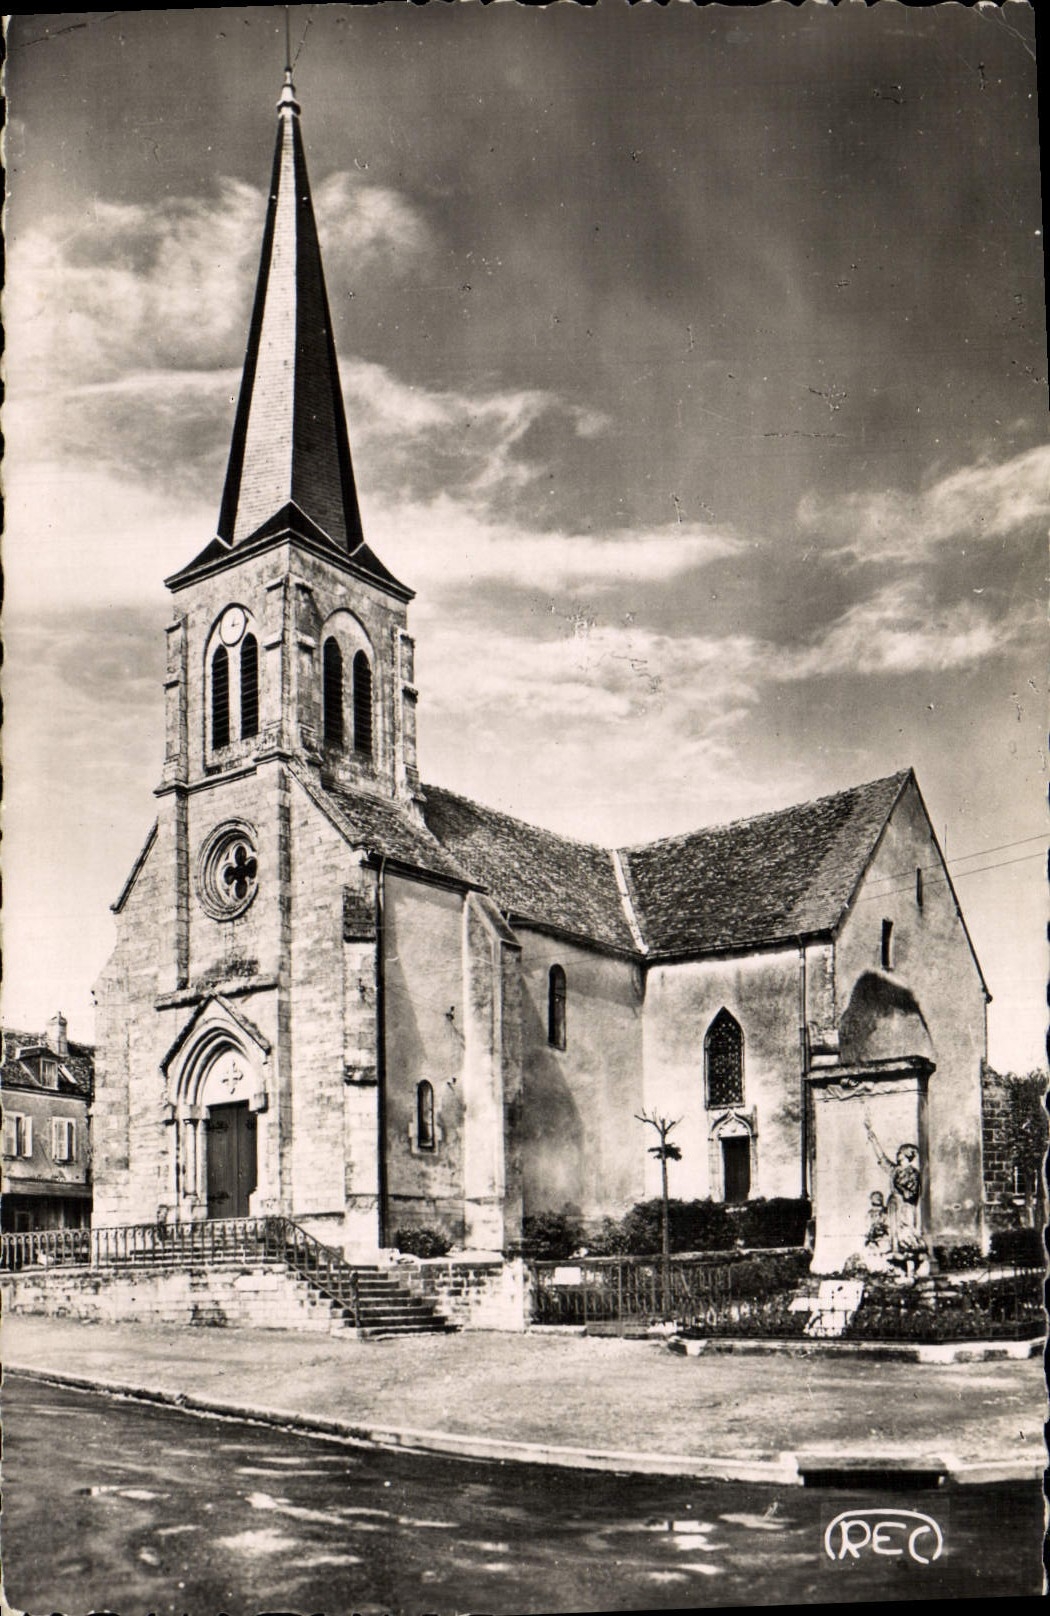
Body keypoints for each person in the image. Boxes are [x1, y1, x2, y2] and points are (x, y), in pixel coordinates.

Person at [863, 1119, 928, 1279]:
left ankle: (911, 1269)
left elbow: (911, 1194)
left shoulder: (912, 1173)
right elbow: (882, 1159)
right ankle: (898, 1269)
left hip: (905, 1208)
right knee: (893, 1236)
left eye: (900, 1152)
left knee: (906, 1234)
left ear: (907, 1156)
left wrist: (899, 1188)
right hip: (893, 1205)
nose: (897, 1154)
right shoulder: (895, 1170)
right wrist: (873, 1138)